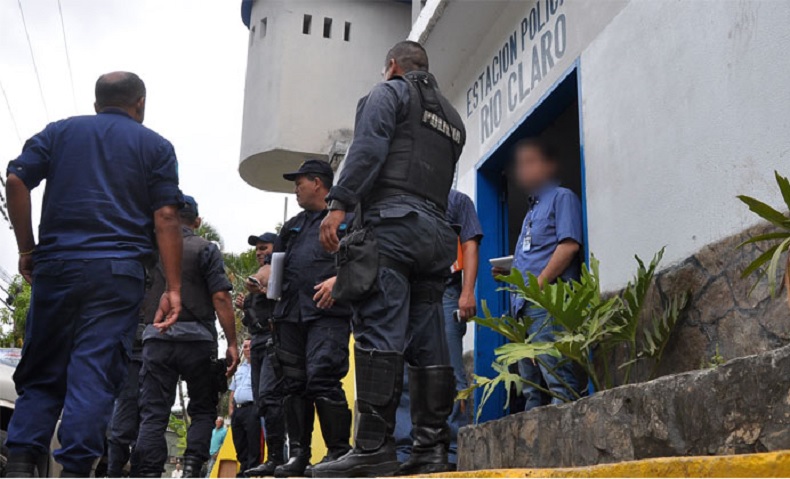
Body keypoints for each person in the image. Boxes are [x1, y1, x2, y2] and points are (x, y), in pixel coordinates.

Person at [4, 71, 183, 477]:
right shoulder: (156, 146)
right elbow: (167, 215)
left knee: (43, 367)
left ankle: (19, 462)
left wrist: (27, 248)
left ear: (96, 102)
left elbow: (16, 180)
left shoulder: (59, 133)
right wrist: (172, 288)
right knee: (94, 370)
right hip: (117, 274)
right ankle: (76, 468)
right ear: (140, 103)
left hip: (57, 266)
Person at [316, 41, 466, 477]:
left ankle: (373, 448)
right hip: (437, 233)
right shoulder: (453, 120)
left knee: (380, 328)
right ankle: (432, 449)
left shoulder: (390, 93)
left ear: (393, 66)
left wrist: (339, 203)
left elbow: (369, 149)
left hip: (393, 225)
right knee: (428, 338)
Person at [133, 195, 240, 478]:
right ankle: (193, 468)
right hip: (197, 342)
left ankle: (148, 472)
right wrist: (232, 342)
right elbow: (220, 297)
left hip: (157, 339)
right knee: (203, 409)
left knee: (153, 413)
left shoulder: (150, 251)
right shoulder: (206, 248)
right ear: (197, 222)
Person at [267, 160, 353, 478]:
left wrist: (341, 281)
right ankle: (299, 455)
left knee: (323, 377)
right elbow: (274, 266)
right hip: (290, 314)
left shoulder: (346, 219)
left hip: (328, 313)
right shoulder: (291, 226)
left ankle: (337, 452)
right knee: (293, 385)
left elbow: (363, 256)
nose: (296, 188)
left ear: (317, 183)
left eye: (299, 182)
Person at [491, 138, 585, 410]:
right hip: (523, 307)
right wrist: (509, 274)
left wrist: (539, 285)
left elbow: (569, 245)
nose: (523, 170)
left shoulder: (562, 197)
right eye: (520, 165)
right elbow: (535, 256)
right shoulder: (530, 212)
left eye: (530, 162)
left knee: (557, 379)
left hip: (548, 303)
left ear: (548, 165)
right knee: (531, 388)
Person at [395, 189, 482, 467]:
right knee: (408, 376)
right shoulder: (406, 199)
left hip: (446, 292)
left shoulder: (457, 201)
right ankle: (408, 451)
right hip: (408, 293)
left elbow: (469, 245)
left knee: (450, 373)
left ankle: (455, 450)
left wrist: (467, 292)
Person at [240, 233, 287, 477]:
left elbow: (264, 280)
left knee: (270, 398)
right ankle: (274, 457)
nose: (259, 252)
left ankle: (279, 457)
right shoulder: (262, 277)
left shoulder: (274, 269)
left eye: (263, 247)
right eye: (257, 249)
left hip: (273, 341)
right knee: (262, 403)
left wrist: (258, 284)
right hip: (257, 342)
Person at [106, 321, 146, 477]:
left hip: (141, 357)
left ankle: (114, 471)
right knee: (144, 425)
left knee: (141, 427)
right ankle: (114, 471)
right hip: (137, 357)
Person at [229, 340, 263, 474]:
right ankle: (244, 469)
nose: (248, 349)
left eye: (250, 346)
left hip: (252, 408)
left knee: (253, 441)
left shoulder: (260, 367)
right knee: (239, 442)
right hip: (238, 410)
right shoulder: (240, 369)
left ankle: (252, 470)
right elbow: (233, 389)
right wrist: (231, 409)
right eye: (245, 347)